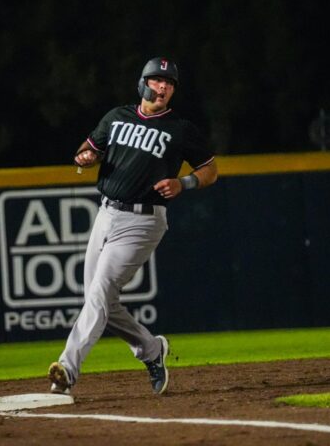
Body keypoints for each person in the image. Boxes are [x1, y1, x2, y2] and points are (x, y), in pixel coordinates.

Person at [48, 57, 218, 395]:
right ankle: (151, 350)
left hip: (143, 220)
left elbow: (211, 169)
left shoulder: (180, 129)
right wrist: (85, 156)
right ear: (142, 83)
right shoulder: (116, 117)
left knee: (99, 293)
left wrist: (184, 183)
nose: (163, 87)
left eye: (169, 83)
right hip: (106, 214)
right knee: (101, 303)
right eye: (157, 80)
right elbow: (89, 149)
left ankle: (67, 370)